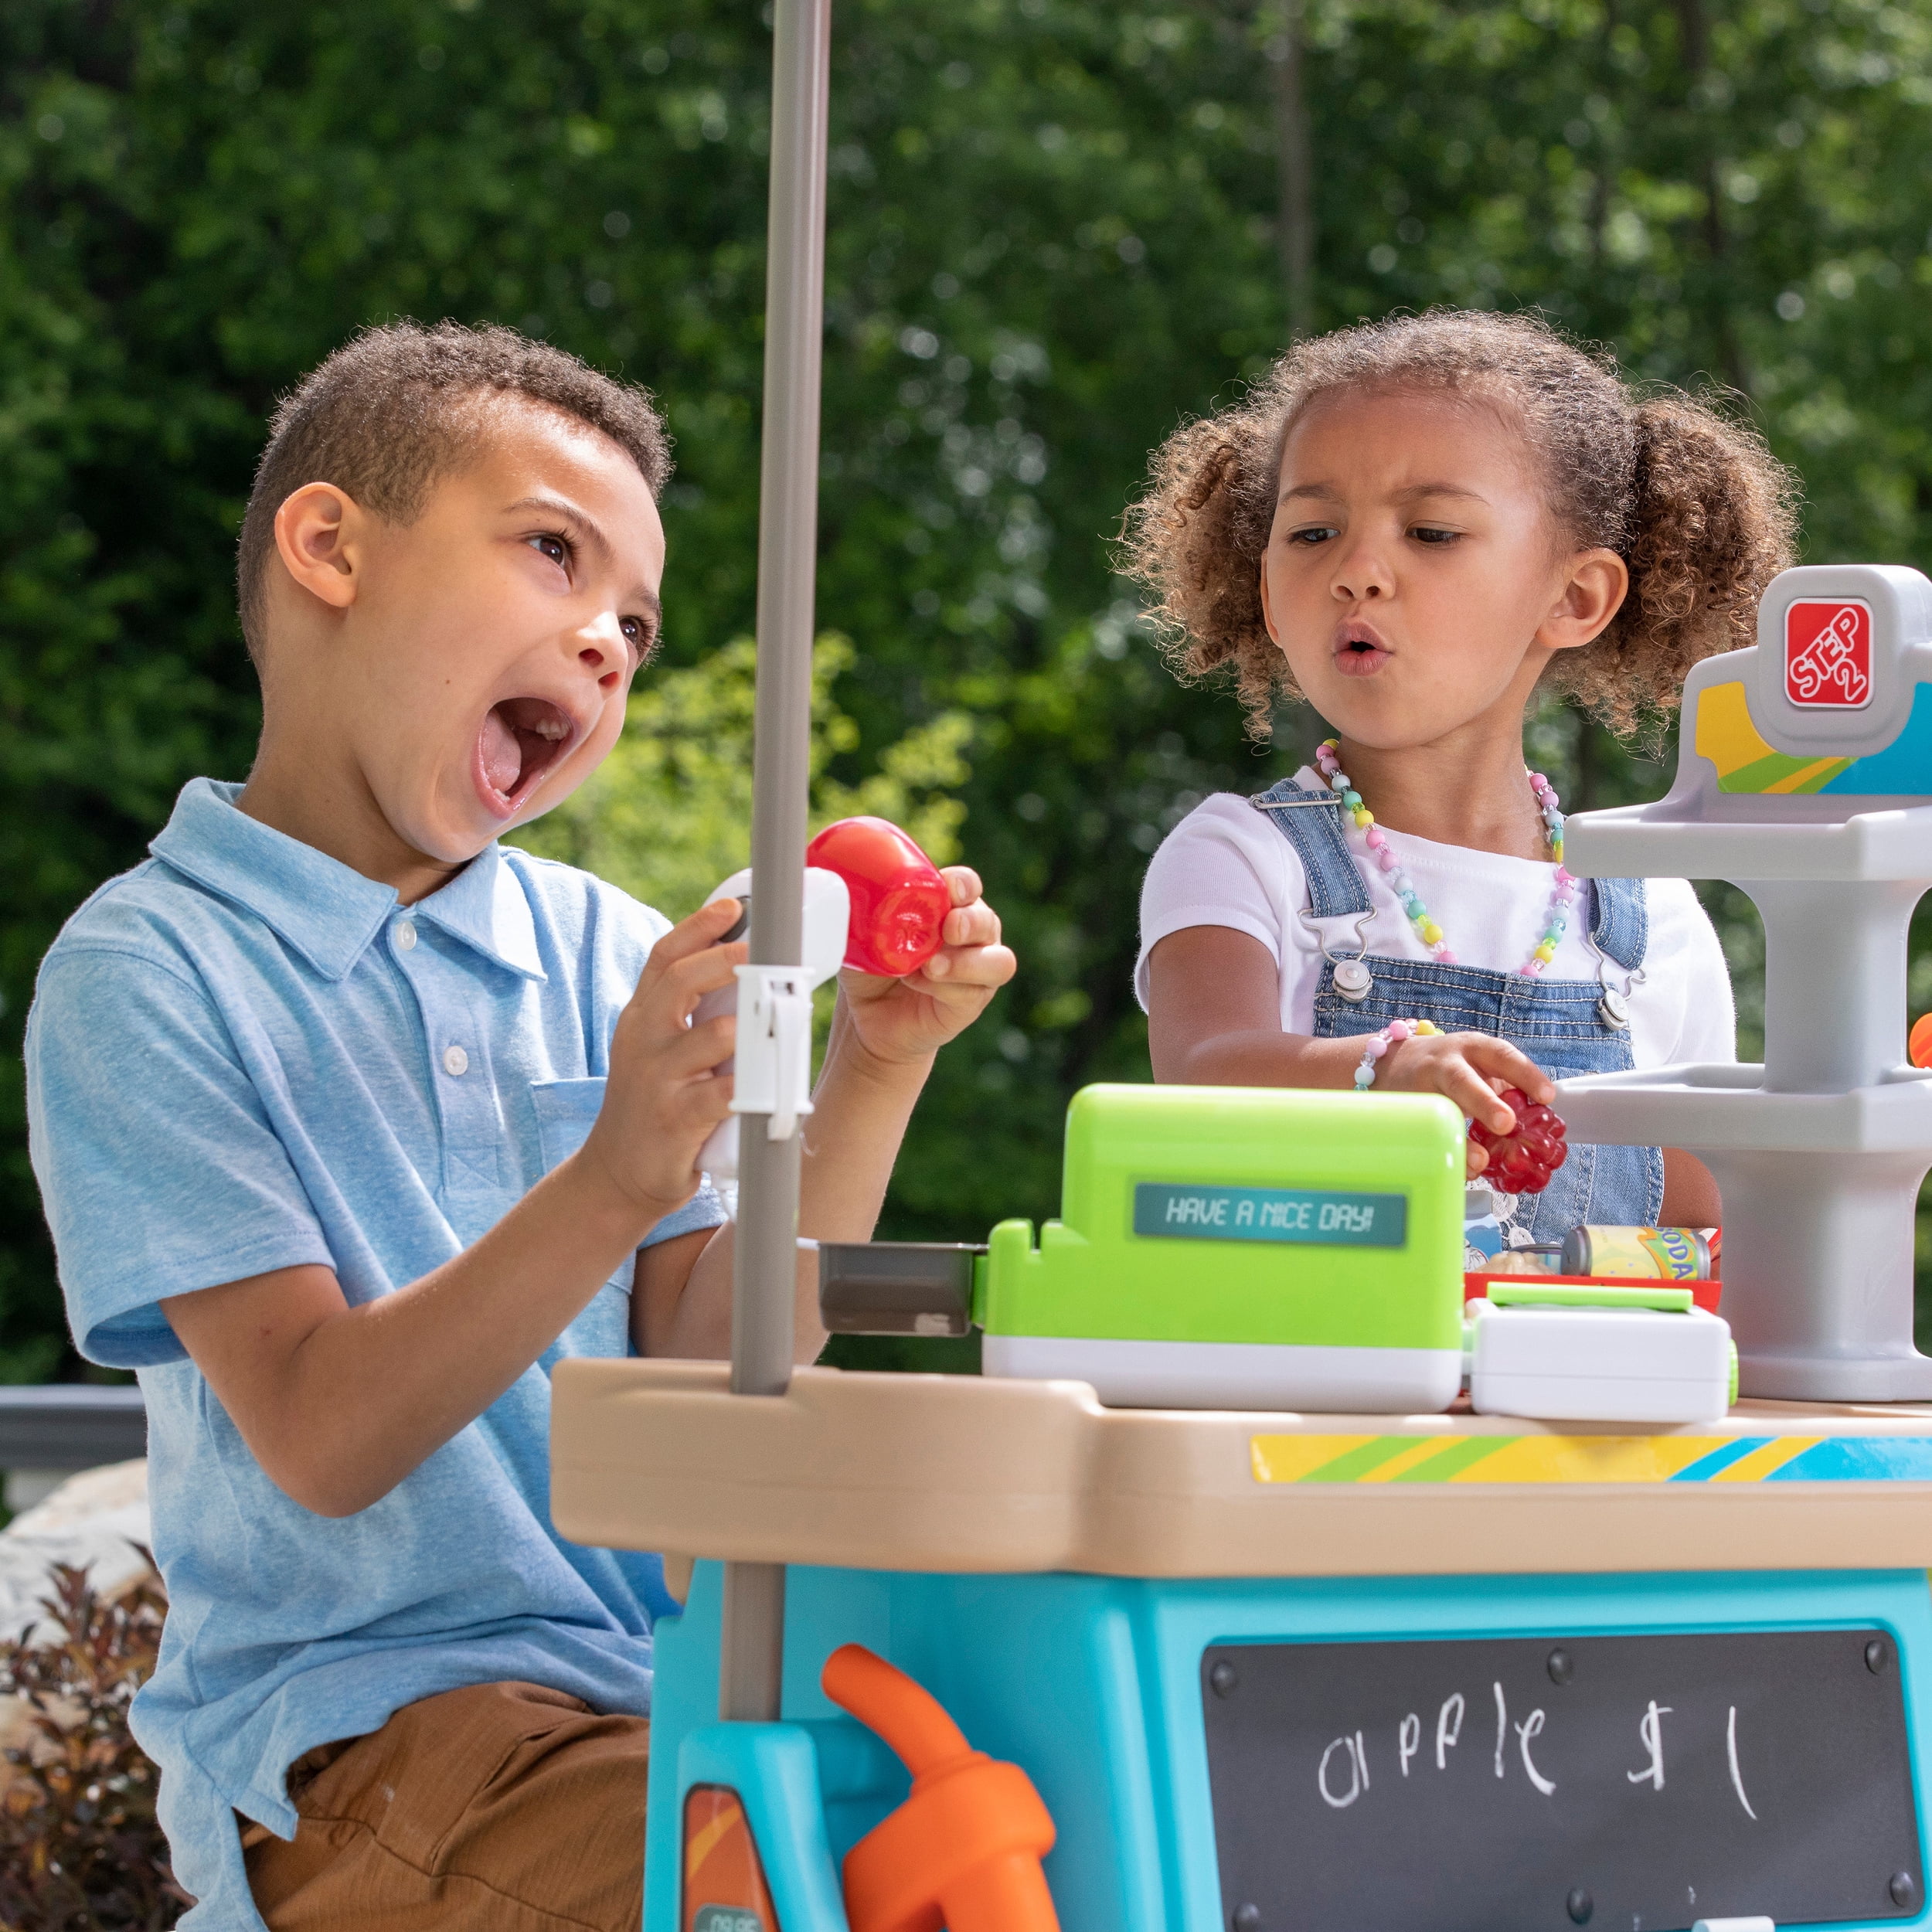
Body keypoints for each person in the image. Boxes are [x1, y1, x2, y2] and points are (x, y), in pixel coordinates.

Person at [23, 321, 1015, 1932]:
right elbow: (322, 1436)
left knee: (1007, 1820)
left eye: (636, 617)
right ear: (331, 547)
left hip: (655, 1691)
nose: (611, 640)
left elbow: (714, 1362)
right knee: (783, 1879)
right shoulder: (147, 970)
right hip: (364, 1739)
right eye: (551, 553)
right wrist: (617, 1166)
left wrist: (873, 1070)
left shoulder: (608, 949)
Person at [1125, 309, 1798, 1245]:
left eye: (1431, 532)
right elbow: (1202, 1073)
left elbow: (1698, 1231)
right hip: (1311, 1392)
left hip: (1575, 1395)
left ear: (1574, 597)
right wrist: (1382, 1070)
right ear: (1268, 592)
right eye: (1312, 532)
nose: (1357, 572)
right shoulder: (1240, 856)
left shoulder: (1654, 922)